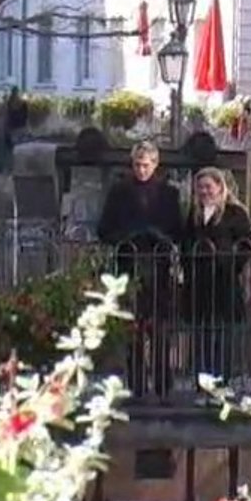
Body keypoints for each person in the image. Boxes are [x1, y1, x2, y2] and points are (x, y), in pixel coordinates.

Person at [97, 141, 184, 399]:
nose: (141, 170)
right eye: (137, 165)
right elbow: (103, 230)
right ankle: (136, 385)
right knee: (132, 329)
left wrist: (161, 237)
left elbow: (178, 230)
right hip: (129, 266)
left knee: (160, 328)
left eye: (146, 165)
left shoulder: (169, 193)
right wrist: (126, 237)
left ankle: (162, 385)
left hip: (158, 266)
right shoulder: (119, 192)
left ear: (155, 165)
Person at [181, 168, 251, 398]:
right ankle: (202, 383)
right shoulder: (193, 213)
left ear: (220, 187)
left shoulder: (235, 213)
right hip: (199, 282)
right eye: (200, 187)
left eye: (208, 187)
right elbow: (185, 243)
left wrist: (231, 265)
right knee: (201, 332)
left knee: (223, 334)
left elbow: (246, 245)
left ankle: (222, 381)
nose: (204, 192)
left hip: (224, 281)